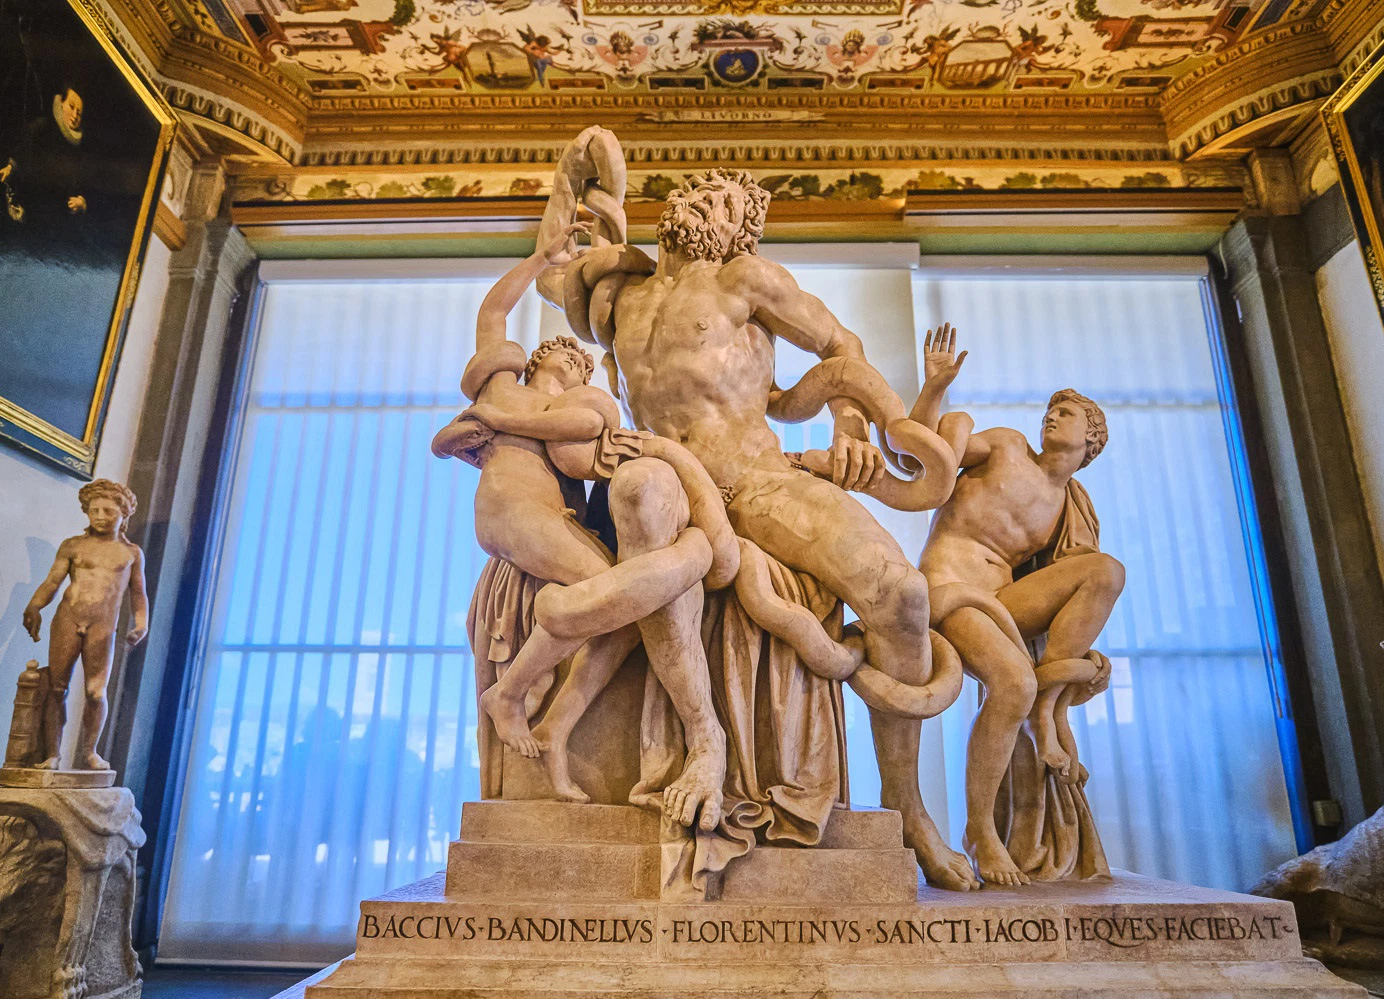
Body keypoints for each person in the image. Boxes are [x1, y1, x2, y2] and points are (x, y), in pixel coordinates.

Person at [533, 129, 978, 891]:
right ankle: (703, 739)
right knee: (639, 491)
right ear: (675, 206)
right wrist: (573, 172)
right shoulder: (618, 295)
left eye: (729, 203)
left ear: (741, 230)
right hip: (670, 482)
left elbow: (840, 344)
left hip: (757, 480)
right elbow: (551, 266)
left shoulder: (746, 278)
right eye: (703, 192)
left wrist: (848, 427)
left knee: (902, 594)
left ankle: (908, 810)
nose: (711, 203)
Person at [433, 223, 733, 815]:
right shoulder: (502, 386)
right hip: (513, 514)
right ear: (542, 358)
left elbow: (584, 435)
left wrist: (503, 425)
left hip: (552, 518)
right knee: (610, 596)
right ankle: (509, 693)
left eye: (584, 366)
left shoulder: (531, 411)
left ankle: (556, 728)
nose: (578, 363)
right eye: (570, 356)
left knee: (624, 612)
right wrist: (539, 259)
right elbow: (493, 314)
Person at [915, 333, 1124, 885]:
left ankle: (1047, 706)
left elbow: (1075, 594)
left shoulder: (1069, 506)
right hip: (949, 588)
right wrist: (934, 388)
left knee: (1106, 570)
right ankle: (980, 830)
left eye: (1067, 413)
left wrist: (1080, 660)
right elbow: (925, 454)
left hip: (1005, 604)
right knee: (1012, 683)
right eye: (1052, 410)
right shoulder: (1007, 446)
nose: (1052, 416)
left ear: (1091, 439)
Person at [23, 480, 148, 771]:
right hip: (68, 619)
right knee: (57, 688)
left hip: (102, 626)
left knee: (95, 692)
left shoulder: (131, 553)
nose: (100, 517)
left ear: (124, 513)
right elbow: (52, 582)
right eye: (94, 511)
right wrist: (35, 606)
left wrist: (141, 623)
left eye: (108, 511)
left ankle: (90, 752)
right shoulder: (73, 546)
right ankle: (52, 754)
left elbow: (138, 593)